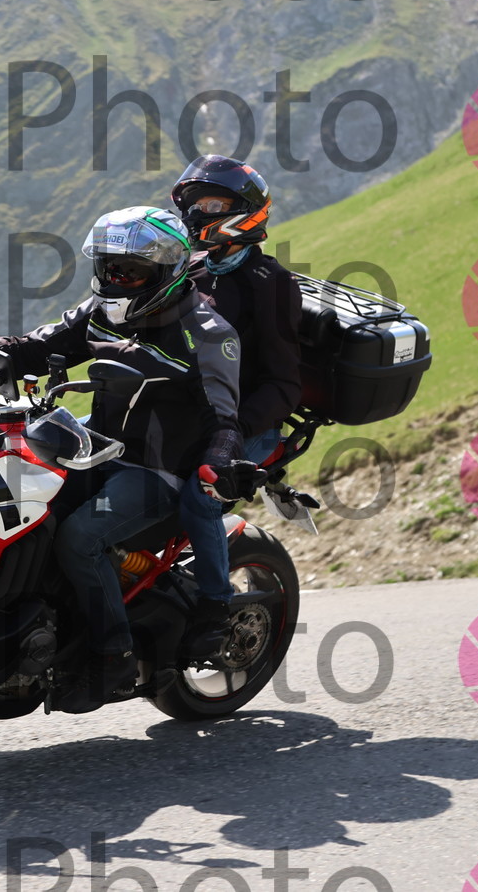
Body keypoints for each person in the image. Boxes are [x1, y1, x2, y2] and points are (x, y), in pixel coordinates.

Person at [0, 206, 258, 712]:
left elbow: (226, 420)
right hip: (94, 450)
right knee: (18, 503)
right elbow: (33, 349)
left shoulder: (207, 333)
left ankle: (112, 653)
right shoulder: (101, 311)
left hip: (158, 471)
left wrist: (219, 463)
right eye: (108, 268)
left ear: (167, 272)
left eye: (130, 271)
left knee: (80, 537)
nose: (116, 280)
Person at [169, 155, 304, 659]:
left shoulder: (270, 284)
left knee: (199, 494)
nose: (195, 215)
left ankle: (214, 607)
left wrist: (230, 432)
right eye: (192, 206)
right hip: (185, 413)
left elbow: (284, 385)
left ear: (244, 212)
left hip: (248, 424)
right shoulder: (191, 271)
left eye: (209, 206)